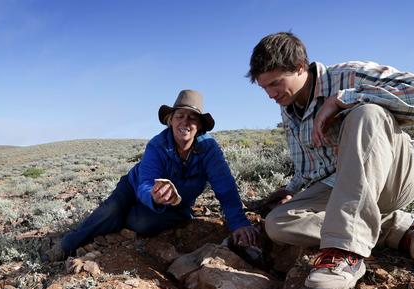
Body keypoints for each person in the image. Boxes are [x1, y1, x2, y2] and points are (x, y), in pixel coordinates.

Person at [245, 32, 414, 289]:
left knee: (366, 114)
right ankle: (395, 227)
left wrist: (341, 100)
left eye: (276, 84)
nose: (271, 94)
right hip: (343, 184)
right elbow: (308, 166)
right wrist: (291, 191)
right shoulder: (289, 106)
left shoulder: (349, 75)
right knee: (279, 223)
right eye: (264, 87)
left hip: (399, 176)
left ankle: (346, 253)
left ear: (300, 67)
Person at [47, 89, 258, 261]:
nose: (185, 122)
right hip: (134, 186)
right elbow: (146, 183)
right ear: (171, 120)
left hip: (176, 204)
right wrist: (154, 196)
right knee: (109, 210)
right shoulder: (157, 145)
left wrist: (238, 222)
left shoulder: (209, 149)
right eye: (180, 116)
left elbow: (225, 187)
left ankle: (128, 218)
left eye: (192, 118)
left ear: (200, 126)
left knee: (143, 224)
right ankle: (66, 245)